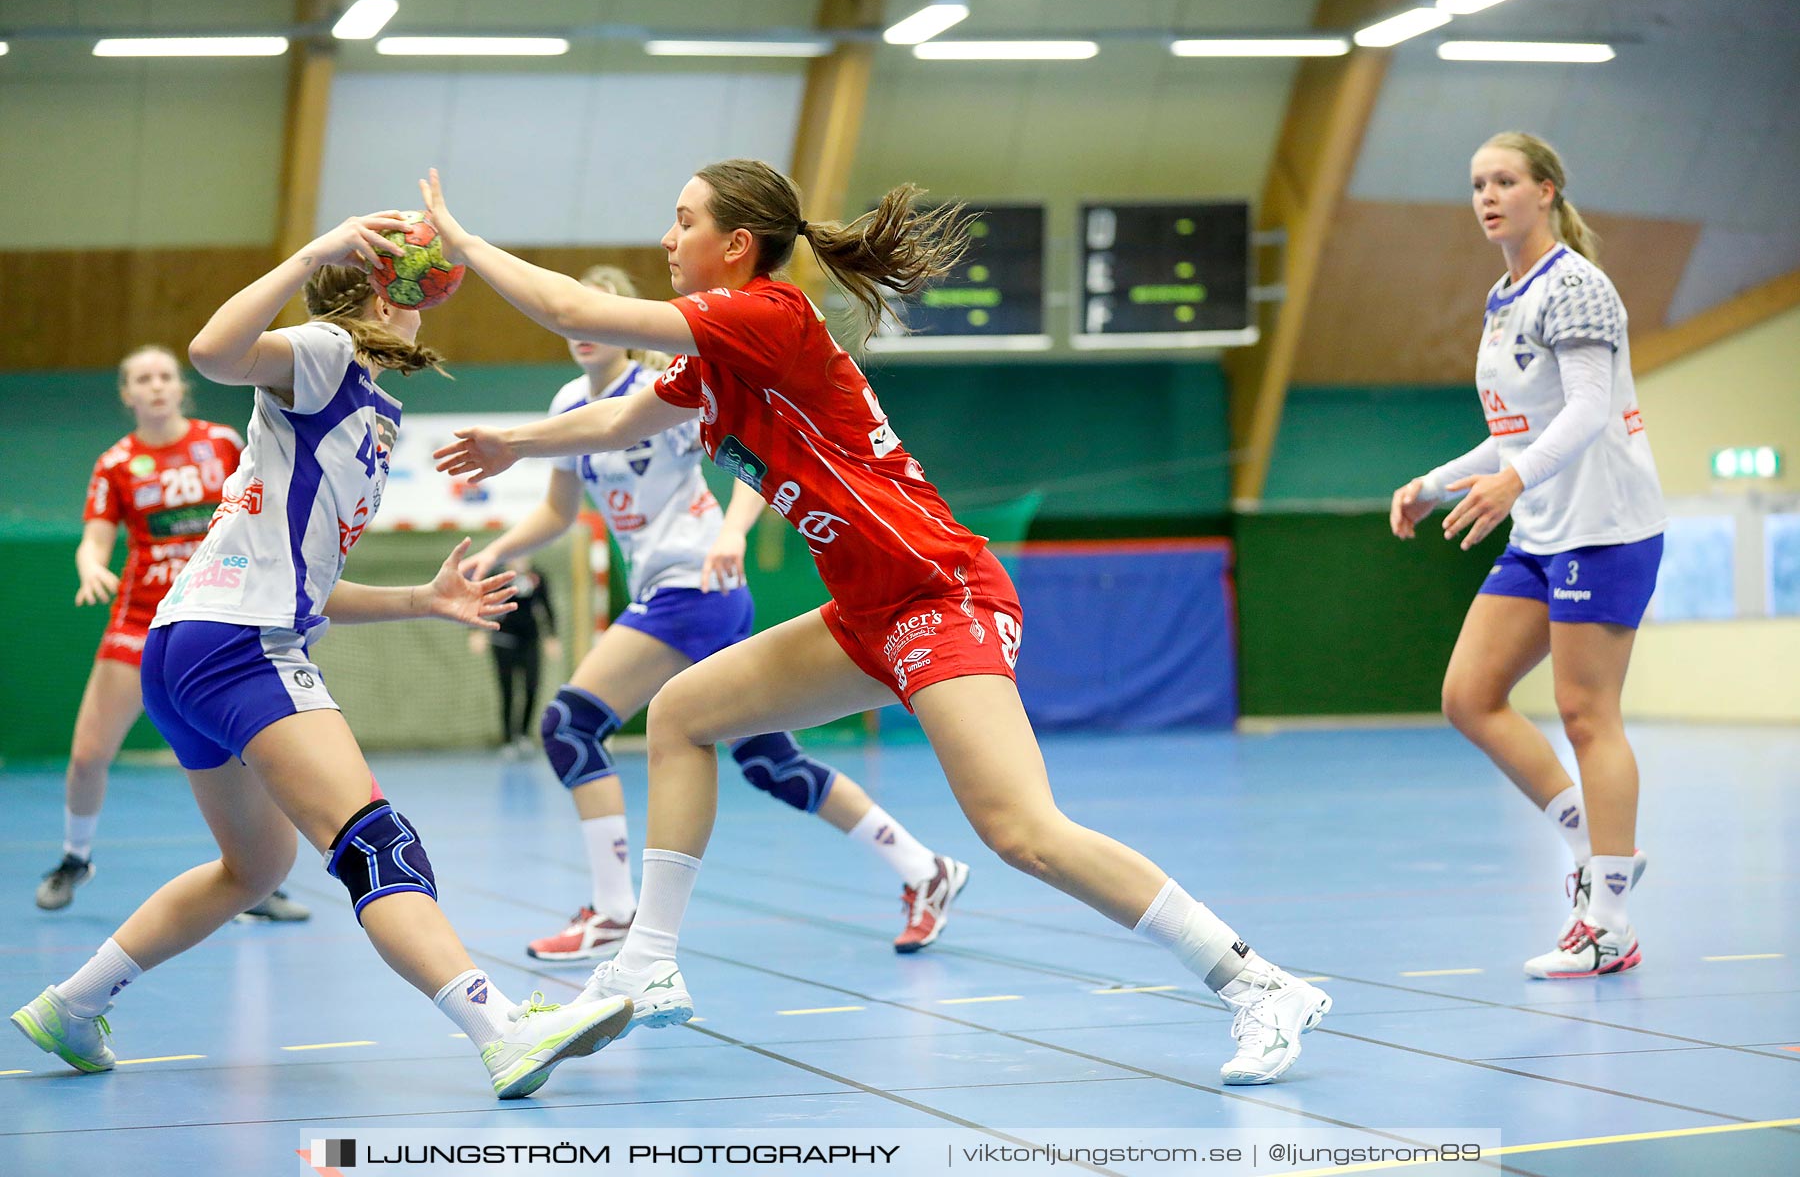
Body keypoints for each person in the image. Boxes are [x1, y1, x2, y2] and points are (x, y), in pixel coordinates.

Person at [425, 160, 1331, 1085]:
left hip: (942, 595)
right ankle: (646, 961)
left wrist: (460, 242)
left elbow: (574, 313)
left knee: (1021, 831)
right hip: (867, 612)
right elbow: (619, 420)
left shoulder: (766, 317)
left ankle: (1258, 984)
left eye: (681, 219)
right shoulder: (717, 362)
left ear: (735, 247)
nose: (667, 237)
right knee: (679, 716)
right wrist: (515, 443)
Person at [10, 216, 631, 1098]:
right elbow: (214, 352)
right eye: (413, 291)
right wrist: (311, 255)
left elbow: (305, 577)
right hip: (237, 647)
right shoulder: (328, 353)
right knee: (375, 841)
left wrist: (421, 600)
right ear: (387, 295)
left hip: (192, 644)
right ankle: (501, 1030)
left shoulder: (370, 402)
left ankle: (71, 1006)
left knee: (255, 867)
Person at [465, 264, 969, 963]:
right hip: (671, 592)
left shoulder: (658, 390)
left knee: (570, 724)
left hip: (695, 586)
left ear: (618, 324)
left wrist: (732, 533)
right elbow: (557, 512)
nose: (583, 335)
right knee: (767, 760)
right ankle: (925, 869)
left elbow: (751, 462)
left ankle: (614, 911)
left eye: (599, 315)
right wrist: (492, 553)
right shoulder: (565, 402)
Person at [1390, 131, 1664, 979]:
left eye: (1505, 180)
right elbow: (1515, 428)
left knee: (1586, 713)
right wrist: (1435, 481)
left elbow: (1584, 412)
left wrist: (1510, 484)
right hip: (1542, 527)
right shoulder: (1503, 296)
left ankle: (1610, 920)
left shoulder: (1577, 286)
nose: (1488, 197)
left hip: (1606, 527)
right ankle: (1595, 846)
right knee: (1470, 696)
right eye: (1477, 184)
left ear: (1546, 191)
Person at [37, 344, 309, 925]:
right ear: (128, 394)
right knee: (87, 756)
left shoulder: (221, 444)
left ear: (180, 387)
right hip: (140, 621)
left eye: (165, 375)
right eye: (143, 378)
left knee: (253, 755)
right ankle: (74, 859)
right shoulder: (116, 464)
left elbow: (260, 512)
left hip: (218, 617)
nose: (156, 385)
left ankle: (261, 879)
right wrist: (90, 565)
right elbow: (95, 536)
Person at [469, 563, 558, 756]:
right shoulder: (497, 576)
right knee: (507, 689)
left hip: (530, 640)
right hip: (503, 640)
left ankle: (523, 735)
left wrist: (551, 636)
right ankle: (508, 738)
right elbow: (481, 602)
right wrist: (476, 631)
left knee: (532, 686)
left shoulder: (537, 576)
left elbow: (546, 605)